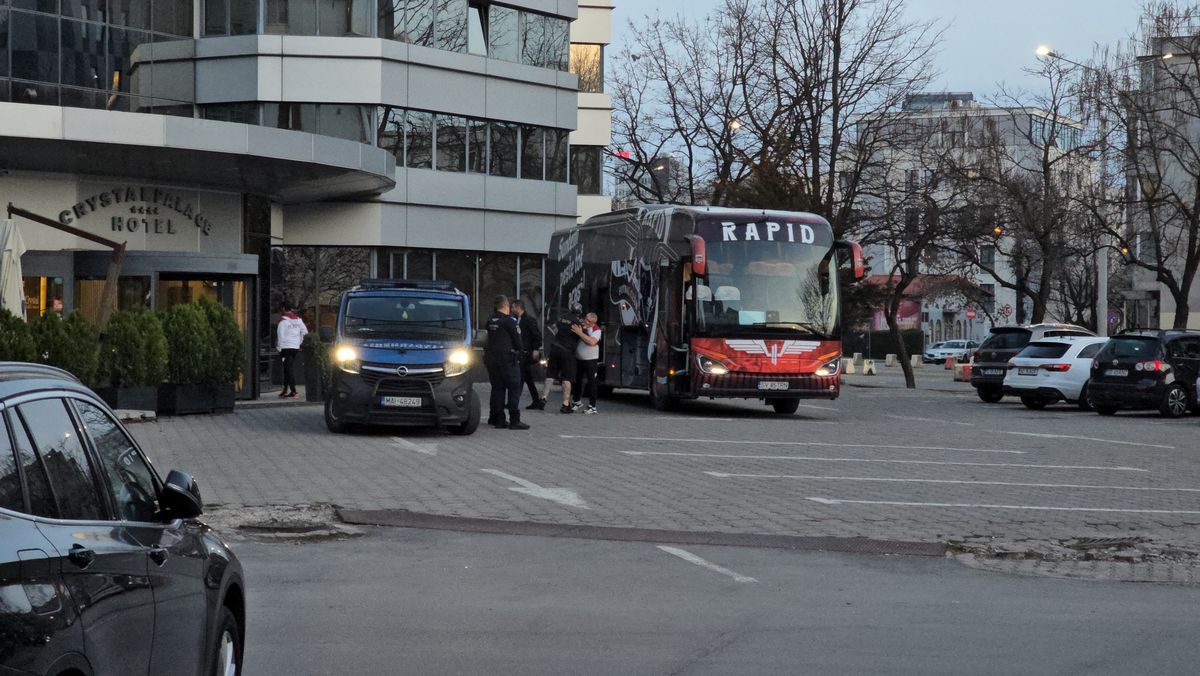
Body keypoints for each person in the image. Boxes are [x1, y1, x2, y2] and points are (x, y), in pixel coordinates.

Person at [484, 294, 529, 430]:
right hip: (508, 360)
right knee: (514, 387)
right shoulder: (509, 321)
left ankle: (499, 419)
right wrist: (521, 354)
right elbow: (518, 341)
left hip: (492, 359)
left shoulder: (491, 319)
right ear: (505, 305)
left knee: (498, 389)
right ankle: (515, 419)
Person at [545, 306, 583, 414]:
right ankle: (565, 405)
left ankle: (543, 398)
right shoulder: (579, 322)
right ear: (579, 312)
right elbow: (585, 336)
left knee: (550, 375)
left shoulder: (561, 318)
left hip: (555, 349)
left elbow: (554, 329)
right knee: (567, 377)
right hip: (567, 352)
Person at [512, 300, 545, 410]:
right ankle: (536, 400)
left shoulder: (529, 320)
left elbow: (537, 336)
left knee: (521, 377)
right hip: (521, 352)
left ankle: (514, 402)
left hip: (526, 353)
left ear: (518, 308)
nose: (511, 310)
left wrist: (535, 349)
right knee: (527, 378)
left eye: (513, 307)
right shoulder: (516, 319)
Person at [572, 312, 602, 414]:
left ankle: (592, 406)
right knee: (577, 381)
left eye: (589, 321)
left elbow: (591, 342)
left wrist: (580, 333)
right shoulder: (580, 325)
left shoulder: (596, 330)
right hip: (579, 358)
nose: (586, 321)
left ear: (593, 322)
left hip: (591, 359)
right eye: (586, 319)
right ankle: (577, 402)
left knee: (592, 382)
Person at [276, 305, 308, 399]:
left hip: (285, 347)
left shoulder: (283, 322)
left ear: (283, 310)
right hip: (295, 348)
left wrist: (279, 348)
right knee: (287, 368)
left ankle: (294, 391)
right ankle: (285, 390)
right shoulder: (299, 320)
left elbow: (280, 336)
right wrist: (299, 342)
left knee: (288, 369)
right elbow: (305, 332)